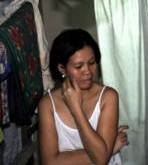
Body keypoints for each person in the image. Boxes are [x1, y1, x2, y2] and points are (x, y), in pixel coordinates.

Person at [39, 29, 127, 164]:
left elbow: (101, 160)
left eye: (92, 63)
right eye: (78, 66)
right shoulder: (47, 104)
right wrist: (108, 149)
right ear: (62, 69)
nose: (87, 71)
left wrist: (76, 110)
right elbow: (50, 162)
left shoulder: (108, 97)